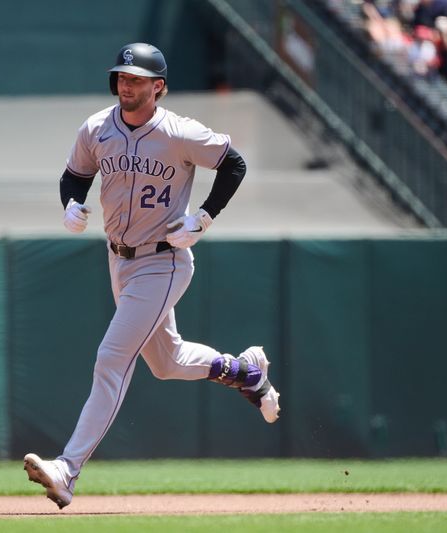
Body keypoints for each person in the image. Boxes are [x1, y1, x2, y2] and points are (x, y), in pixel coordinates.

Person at [22, 43, 281, 510]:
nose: (127, 84)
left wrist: (203, 217)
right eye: (122, 76)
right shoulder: (97, 127)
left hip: (163, 261)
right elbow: (74, 175)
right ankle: (246, 372)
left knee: (111, 358)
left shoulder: (180, 132)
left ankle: (68, 469)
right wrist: (71, 203)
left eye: (137, 78)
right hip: (119, 259)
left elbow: (233, 164)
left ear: (158, 87)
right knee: (167, 362)